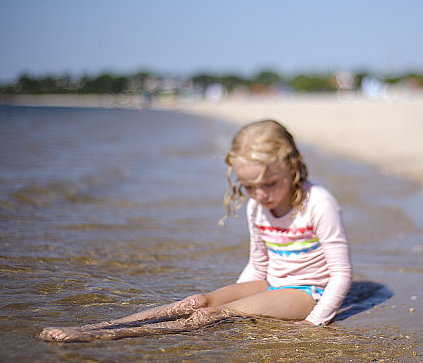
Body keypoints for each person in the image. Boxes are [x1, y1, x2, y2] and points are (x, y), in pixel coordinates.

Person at [39, 119, 352, 342]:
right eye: (249, 186)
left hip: (308, 292)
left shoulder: (318, 204)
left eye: (270, 184)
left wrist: (314, 323)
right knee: (198, 303)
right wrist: (237, 295)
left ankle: (111, 337)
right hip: (270, 283)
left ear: (293, 165)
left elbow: (341, 275)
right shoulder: (257, 206)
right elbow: (258, 263)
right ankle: (98, 325)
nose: (261, 194)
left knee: (216, 314)